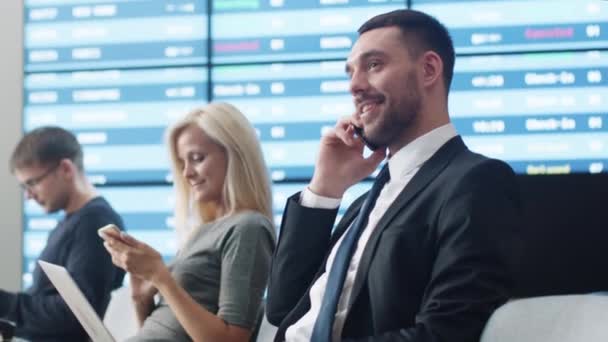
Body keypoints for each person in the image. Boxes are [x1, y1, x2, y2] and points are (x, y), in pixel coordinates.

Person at [266, 9, 522, 342]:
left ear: (429, 69)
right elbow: (283, 308)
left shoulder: (476, 182)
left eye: (374, 65)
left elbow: (447, 333)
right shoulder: (364, 205)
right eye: (351, 72)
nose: (355, 85)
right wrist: (324, 189)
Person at [103, 102, 276, 342]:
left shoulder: (248, 228)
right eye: (182, 162)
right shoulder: (201, 232)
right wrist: (141, 297)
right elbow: (165, 332)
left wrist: (161, 278)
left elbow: (231, 339)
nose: (186, 173)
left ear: (235, 155)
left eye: (197, 158)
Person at [2, 126, 125, 341]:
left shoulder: (94, 223)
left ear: (66, 169)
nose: (29, 196)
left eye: (32, 183)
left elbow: (76, 315)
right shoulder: (74, 222)